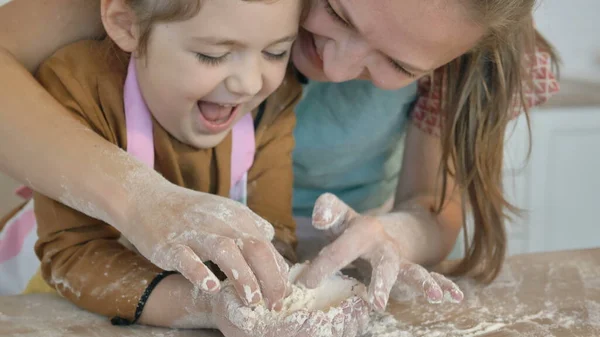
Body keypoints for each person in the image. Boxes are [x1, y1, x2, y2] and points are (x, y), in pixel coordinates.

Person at [0, 0, 558, 329]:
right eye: (337, 10)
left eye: (396, 63)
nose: (334, 68)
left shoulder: (470, 45)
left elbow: (434, 208)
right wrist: (141, 199)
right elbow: (72, 252)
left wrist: (395, 235)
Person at [3, 0, 370, 334]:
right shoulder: (81, 88)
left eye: (275, 52)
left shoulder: (269, 105)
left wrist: (258, 299)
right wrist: (206, 304)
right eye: (212, 55)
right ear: (127, 26)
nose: (249, 83)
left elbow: (272, 236)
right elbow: (74, 256)